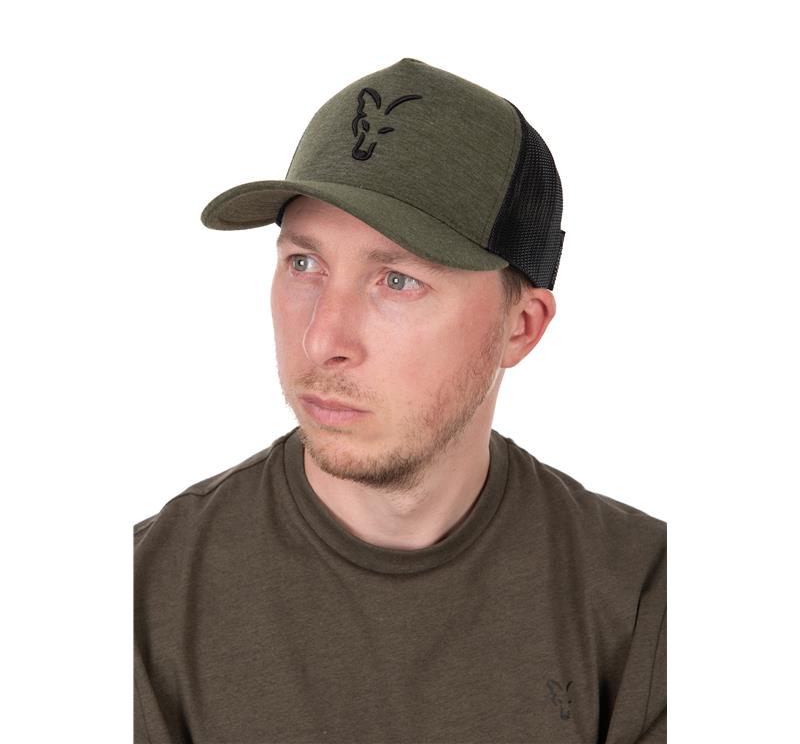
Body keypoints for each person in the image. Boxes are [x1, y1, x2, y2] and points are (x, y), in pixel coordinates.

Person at [134, 58, 666, 744]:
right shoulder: (142, 596)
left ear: (520, 326)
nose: (322, 339)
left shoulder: (644, 597)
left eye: (396, 280)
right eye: (304, 264)